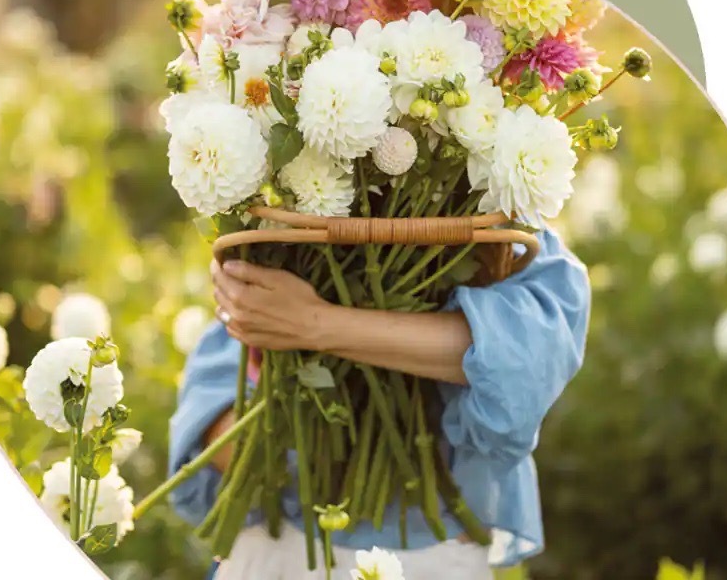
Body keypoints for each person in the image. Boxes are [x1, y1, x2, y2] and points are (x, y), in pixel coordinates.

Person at [168, 227, 590, 579]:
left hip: (427, 557)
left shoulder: (500, 223)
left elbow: (523, 359)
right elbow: (221, 438)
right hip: (279, 551)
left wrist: (314, 325)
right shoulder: (287, 228)